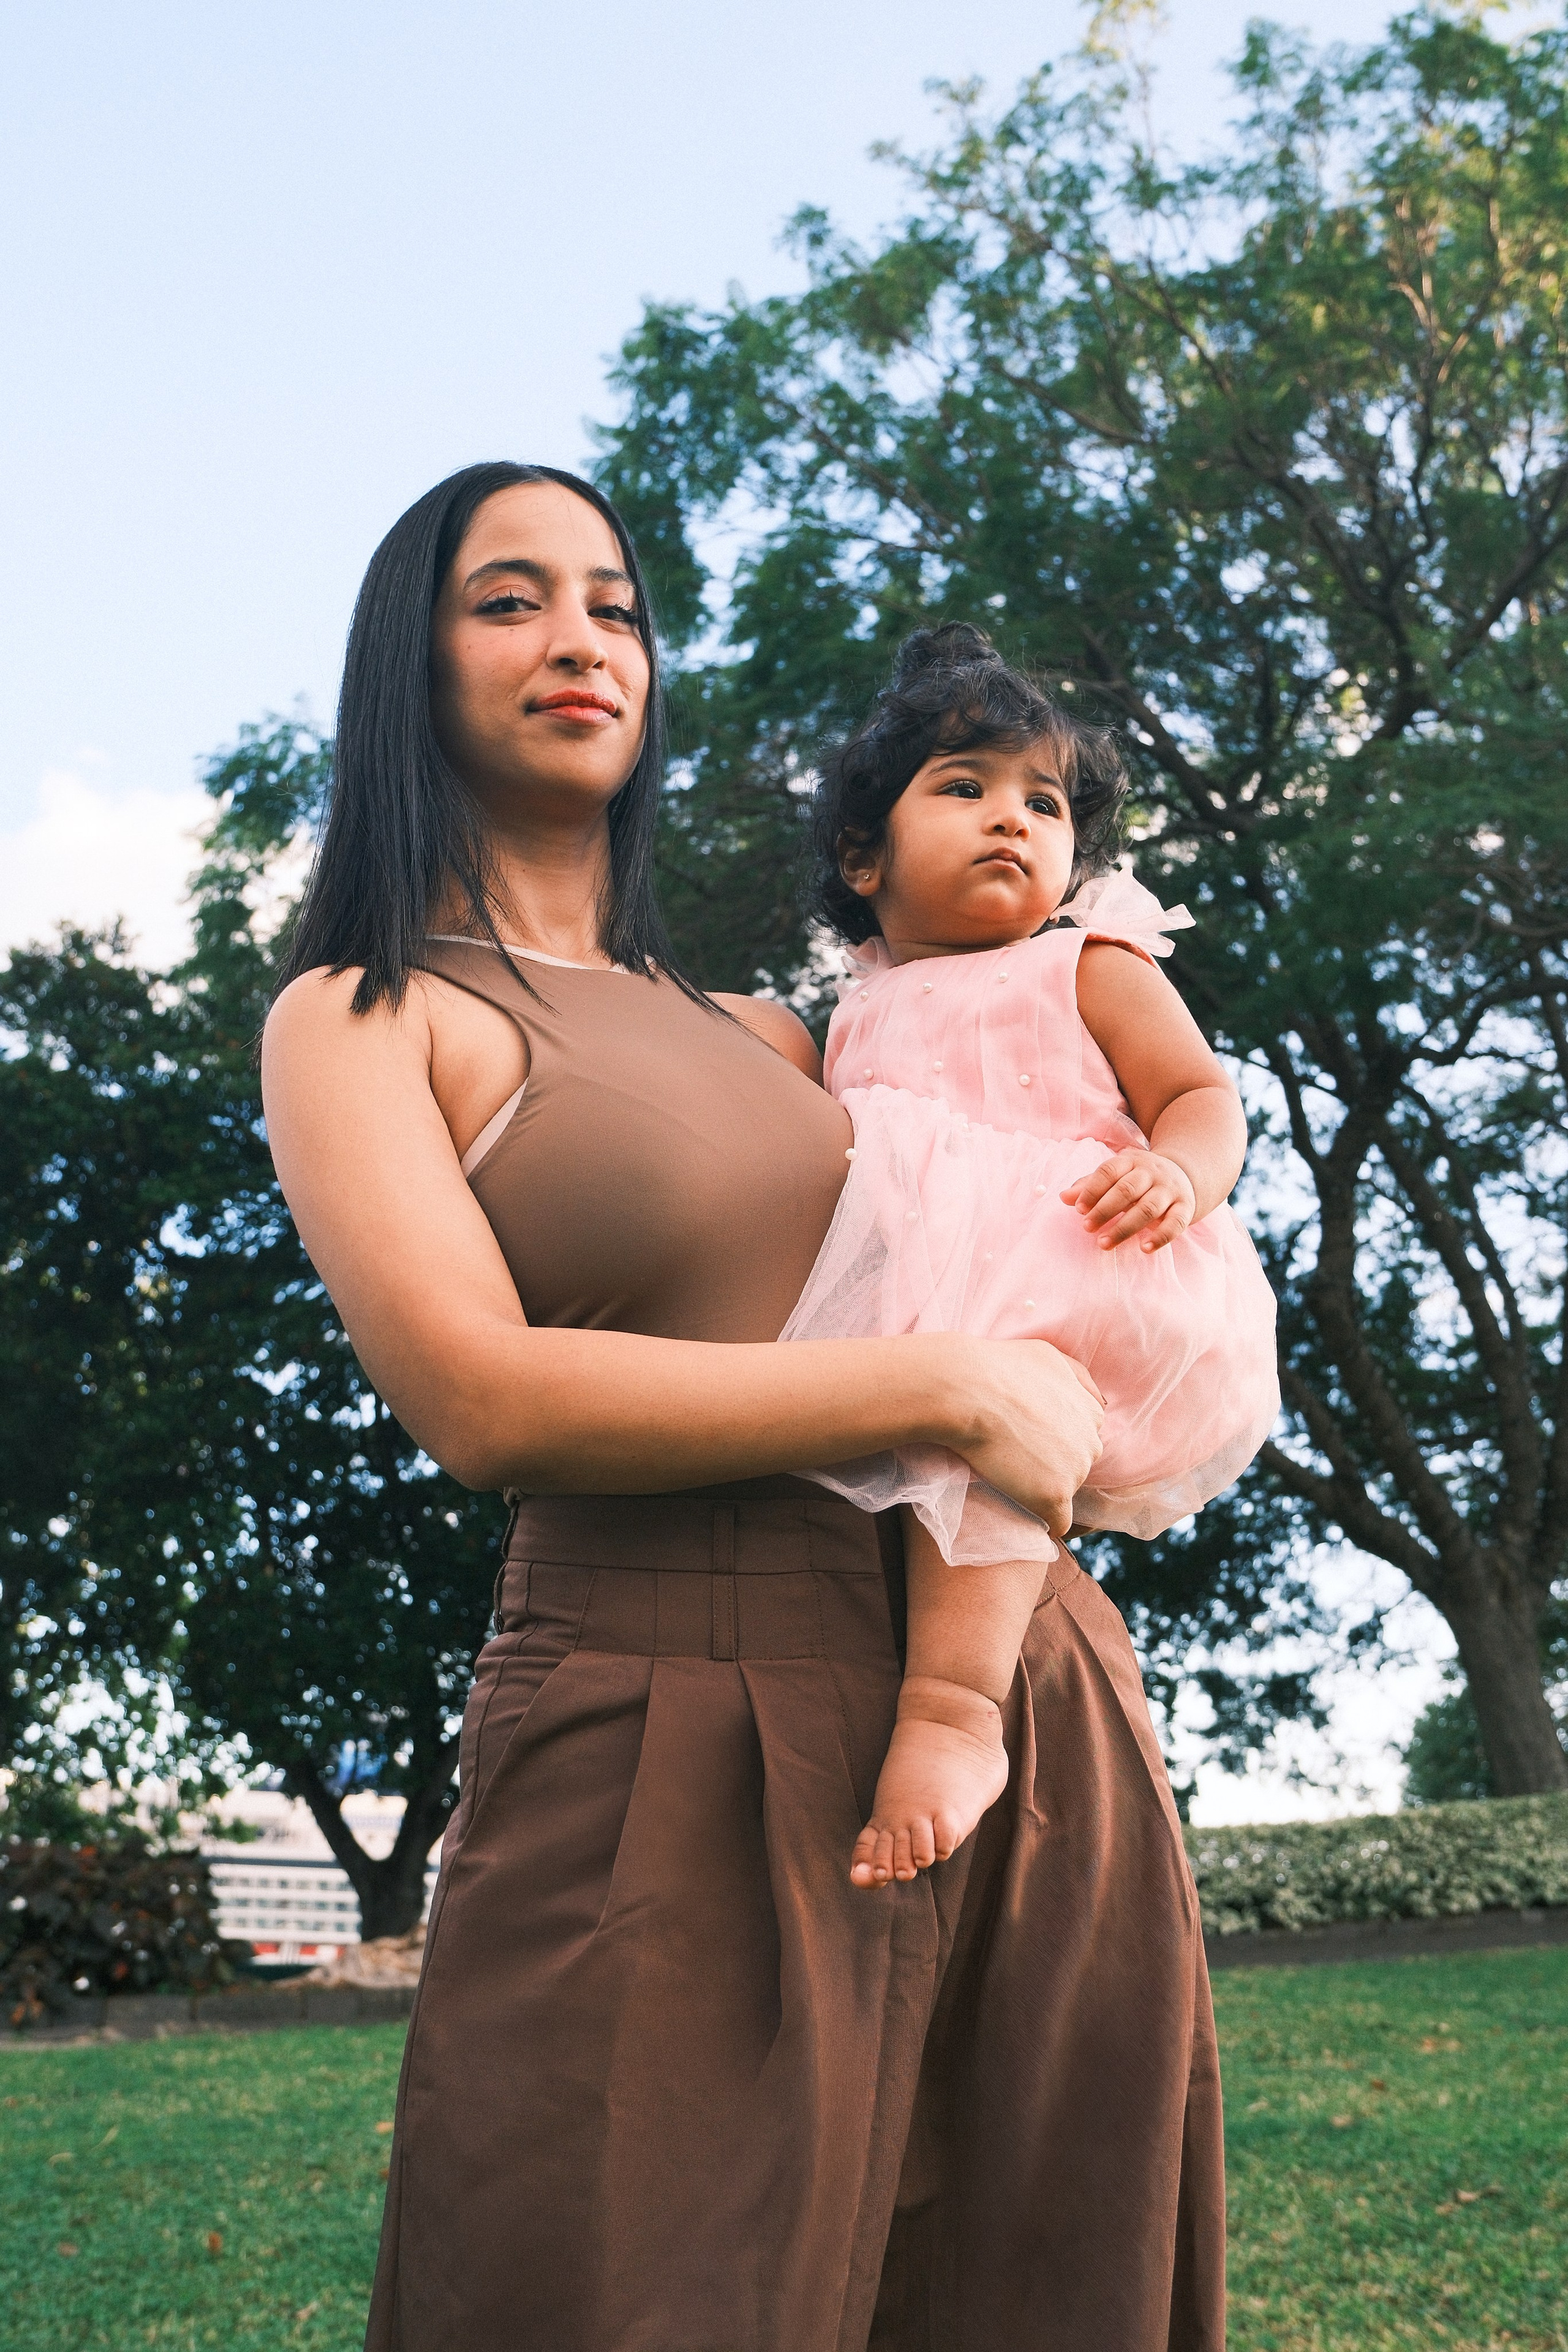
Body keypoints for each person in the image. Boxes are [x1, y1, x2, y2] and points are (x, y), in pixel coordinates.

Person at [261, 461, 1226, 2352]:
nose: (579, 640)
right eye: (510, 598)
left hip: (1022, 1707)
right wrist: (951, 1385)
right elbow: (478, 1395)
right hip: (666, 1722)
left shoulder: (780, 1030)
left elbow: (1071, 1174)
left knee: (1041, 2297)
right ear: (410, 658)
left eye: (614, 604)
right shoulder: (372, 1011)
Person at [780, 626, 1279, 1892]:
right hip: (911, 1294)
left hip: (1076, 1249)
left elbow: (1199, 1098)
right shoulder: (854, 999)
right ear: (861, 856)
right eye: (964, 788)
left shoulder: (1083, 959)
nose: (1011, 819)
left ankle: (953, 1711)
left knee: (981, 1422)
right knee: (920, 1421)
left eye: (1041, 802)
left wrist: (1177, 1173)